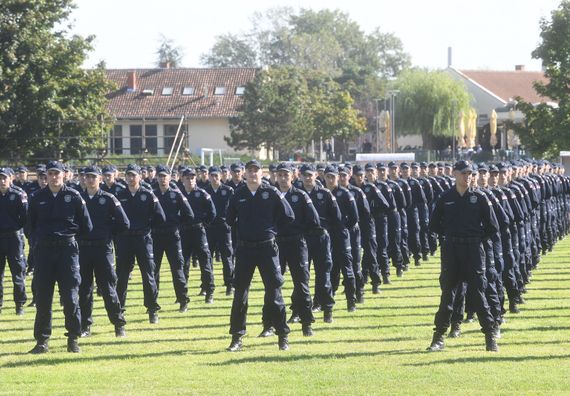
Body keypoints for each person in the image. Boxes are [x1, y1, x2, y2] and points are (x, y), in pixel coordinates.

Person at [427, 160, 499, 352]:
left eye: (470, 174)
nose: (468, 177)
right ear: (455, 174)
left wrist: (475, 238)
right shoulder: (445, 197)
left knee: (478, 294)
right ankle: (438, 338)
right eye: (464, 173)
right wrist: (449, 234)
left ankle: (490, 336)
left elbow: (492, 227)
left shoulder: (479, 197)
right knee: (447, 295)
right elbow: (433, 224)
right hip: (452, 251)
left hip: (473, 251)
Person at [226, 160, 295, 352]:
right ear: (244, 174)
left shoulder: (271, 192)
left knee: (274, 293)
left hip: (267, 249)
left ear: (261, 173)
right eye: (250, 171)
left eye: (256, 171)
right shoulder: (238, 194)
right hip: (245, 249)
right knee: (240, 294)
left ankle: (282, 336)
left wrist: (272, 231)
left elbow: (288, 216)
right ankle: (237, 337)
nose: (253, 174)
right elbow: (229, 219)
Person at [26, 161, 93, 354]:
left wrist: (70, 240)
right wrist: (39, 242)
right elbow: (29, 226)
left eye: (57, 173)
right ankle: (42, 341)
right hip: (44, 252)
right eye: (50, 174)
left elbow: (86, 226)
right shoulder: (37, 198)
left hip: (67, 251)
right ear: (46, 176)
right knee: (43, 298)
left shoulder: (73, 196)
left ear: (64, 175)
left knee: (71, 297)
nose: (54, 177)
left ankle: (73, 338)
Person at [78, 165, 129, 337]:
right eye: (88, 177)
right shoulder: (79, 198)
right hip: (83, 249)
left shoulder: (108, 198)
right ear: (84, 179)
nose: (90, 180)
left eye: (94, 177)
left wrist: (108, 234)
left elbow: (124, 223)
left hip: (102, 248)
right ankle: (85, 325)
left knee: (108, 288)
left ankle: (118, 324)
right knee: (84, 289)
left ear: (100, 179)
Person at [273, 162, 319, 336]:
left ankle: (307, 323)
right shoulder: (271, 195)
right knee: (273, 285)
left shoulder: (300, 195)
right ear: (276, 176)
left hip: (297, 243)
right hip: (277, 244)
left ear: (292, 176)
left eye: (286, 175)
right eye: (280, 175)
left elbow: (314, 220)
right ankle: (271, 323)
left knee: (301, 284)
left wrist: (300, 232)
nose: (283, 178)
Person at [115, 164, 165, 324]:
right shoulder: (119, 195)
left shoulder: (148, 195)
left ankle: (152, 309)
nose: (130, 178)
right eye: (128, 175)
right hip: (125, 239)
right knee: (121, 276)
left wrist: (147, 227)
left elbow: (160, 217)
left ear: (140, 177)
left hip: (143, 239)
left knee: (148, 275)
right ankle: (119, 309)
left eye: (133, 175)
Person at [152, 165, 193, 312]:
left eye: (165, 176)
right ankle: (153, 302)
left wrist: (177, 224)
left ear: (170, 177)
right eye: (160, 176)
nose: (163, 179)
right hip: (156, 235)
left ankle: (183, 300)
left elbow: (189, 215)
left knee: (177, 269)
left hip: (172, 235)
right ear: (156, 177)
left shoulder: (176, 194)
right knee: (153, 269)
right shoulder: (153, 194)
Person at [179, 167, 216, 302]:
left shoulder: (202, 194)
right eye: (187, 178)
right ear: (182, 178)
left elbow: (212, 212)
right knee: (183, 263)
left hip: (198, 231)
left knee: (205, 262)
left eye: (192, 177)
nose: (190, 180)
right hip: (183, 232)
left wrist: (203, 224)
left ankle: (209, 291)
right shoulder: (179, 194)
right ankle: (182, 294)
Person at [0, 167, 28, 316]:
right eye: (0, 178)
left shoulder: (18, 194)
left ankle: (19, 304)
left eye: (4, 178)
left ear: (11, 179)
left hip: (13, 238)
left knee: (17, 272)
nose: (2, 181)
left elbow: (25, 217)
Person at [205, 166, 235, 296]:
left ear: (221, 176)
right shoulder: (205, 191)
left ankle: (229, 284)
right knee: (207, 257)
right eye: (212, 175)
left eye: (216, 175)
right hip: (209, 227)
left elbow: (233, 209)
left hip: (224, 227)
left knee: (227, 257)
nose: (214, 178)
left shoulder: (228, 190)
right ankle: (207, 285)